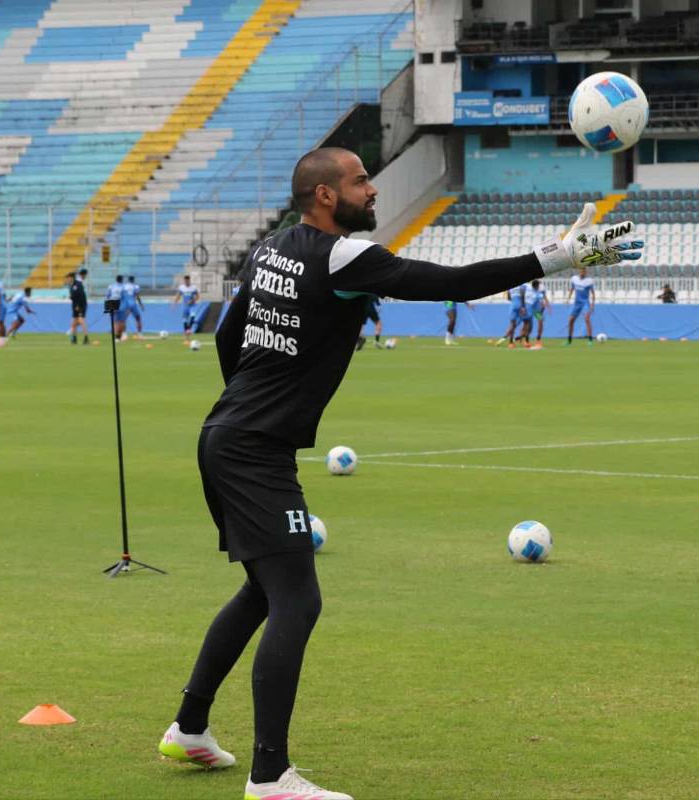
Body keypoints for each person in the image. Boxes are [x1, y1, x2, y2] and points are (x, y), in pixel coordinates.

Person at [157, 146, 642, 800]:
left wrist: (250, 409)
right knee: (297, 599)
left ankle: (190, 727)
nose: (374, 191)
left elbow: (228, 337)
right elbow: (451, 282)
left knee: (262, 591)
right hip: (251, 450)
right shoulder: (343, 258)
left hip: (229, 437)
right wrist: (556, 256)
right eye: (361, 181)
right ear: (326, 195)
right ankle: (270, 776)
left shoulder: (271, 250)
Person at [566, 266, 595, 345]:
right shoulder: (574, 279)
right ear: (579, 272)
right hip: (577, 303)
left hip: (585, 303)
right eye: (581, 271)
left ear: (586, 272)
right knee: (571, 320)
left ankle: (590, 340)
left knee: (587, 319)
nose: (583, 273)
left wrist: (592, 305)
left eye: (584, 271)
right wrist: (568, 298)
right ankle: (569, 340)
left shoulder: (589, 281)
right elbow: (572, 289)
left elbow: (593, 293)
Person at [495, 283, 528, 348]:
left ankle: (511, 343)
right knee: (526, 323)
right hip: (520, 305)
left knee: (512, 324)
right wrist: (523, 306)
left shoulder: (511, 287)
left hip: (512, 306)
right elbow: (522, 295)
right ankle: (524, 341)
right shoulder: (521, 285)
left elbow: (508, 297)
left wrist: (514, 301)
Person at [173, 275, 200, 344]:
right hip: (185, 307)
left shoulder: (193, 288)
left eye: (187, 280)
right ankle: (186, 338)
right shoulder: (182, 288)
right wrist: (174, 303)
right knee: (184, 321)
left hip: (192, 306)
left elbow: (198, 296)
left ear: (189, 280)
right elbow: (178, 296)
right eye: (185, 280)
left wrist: (192, 300)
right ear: (184, 281)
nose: (186, 282)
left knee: (193, 316)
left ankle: (189, 329)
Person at [525, 278, 550, 349]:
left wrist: (544, 307)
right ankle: (526, 340)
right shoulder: (528, 288)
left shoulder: (540, 290)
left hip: (536, 310)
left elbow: (542, 300)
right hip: (529, 309)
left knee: (540, 322)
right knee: (528, 325)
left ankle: (538, 339)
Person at [69, 270, 89, 345]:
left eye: (69, 278)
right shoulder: (73, 285)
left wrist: (78, 305)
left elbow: (81, 296)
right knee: (73, 323)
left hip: (80, 305)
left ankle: (86, 338)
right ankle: (74, 338)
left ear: (72, 278)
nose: (68, 279)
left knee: (81, 321)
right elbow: (73, 296)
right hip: (75, 305)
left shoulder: (78, 284)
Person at [106, 275, 127, 341]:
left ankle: (116, 337)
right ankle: (121, 335)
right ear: (121, 280)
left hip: (113, 305)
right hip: (121, 305)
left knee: (115, 322)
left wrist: (108, 307)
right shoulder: (123, 287)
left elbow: (107, 297)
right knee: (122, 321)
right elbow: (125, 297)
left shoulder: (111, 286)